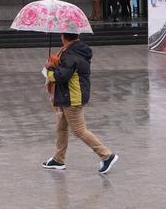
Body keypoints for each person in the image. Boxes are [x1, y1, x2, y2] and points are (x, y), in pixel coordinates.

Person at [41, 33, 117, 174]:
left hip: (72, 97)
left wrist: (49, 70)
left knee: (79, 130)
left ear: (64, 37)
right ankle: (58, 159)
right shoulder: (78, 50)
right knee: (61, 128)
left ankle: (106, 155)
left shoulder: (70, 54)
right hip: (70, 95)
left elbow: (61, 76)